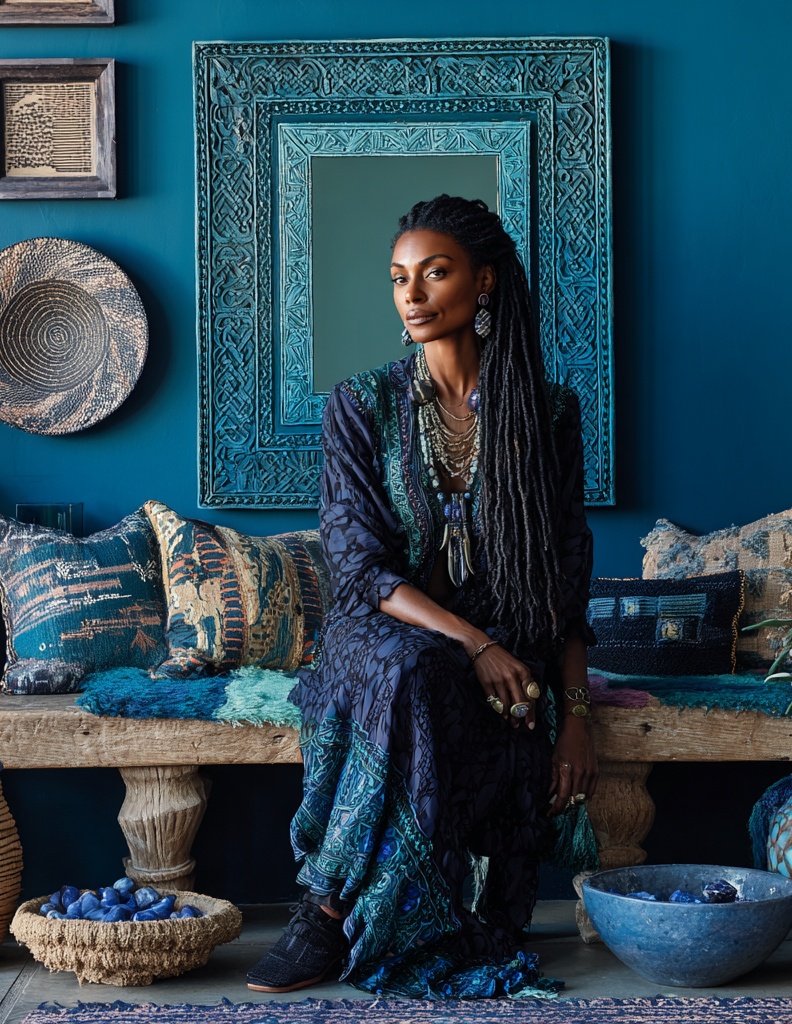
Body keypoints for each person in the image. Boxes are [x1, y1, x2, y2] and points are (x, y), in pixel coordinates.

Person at [246, 194, 597, 998]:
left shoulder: (549, 413)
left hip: (507, 636)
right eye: (399, 277)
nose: (412, 293)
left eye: (434, 272)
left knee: (442, 677)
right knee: (415, 668)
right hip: (378, 631)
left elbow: (566, 581)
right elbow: (358, 568)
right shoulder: (360, 404)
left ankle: (398, 907)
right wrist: (475, 645)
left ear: (485, 283)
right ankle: (327, 909)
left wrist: (575, 720)